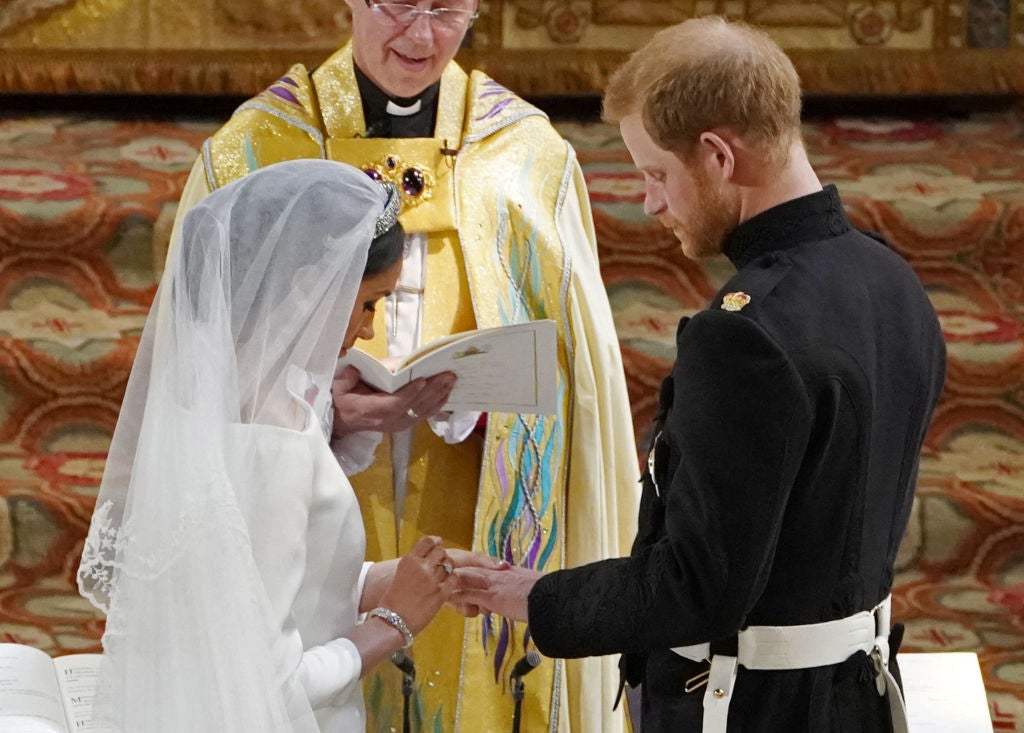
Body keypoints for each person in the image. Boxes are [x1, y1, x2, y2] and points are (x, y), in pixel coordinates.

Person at [452, 16, 948, 733]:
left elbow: (698, 586)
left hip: (755, 710)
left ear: (717, 154)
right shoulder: (894, 280)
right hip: (857, 699)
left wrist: (535, 597)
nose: (651, 202)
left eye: (657, 174)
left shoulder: (743, 337)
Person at [168, 1, 640, 730]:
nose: (421, 37)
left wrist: (488, 397)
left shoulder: (524, 154)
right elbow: (197, 364)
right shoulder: (256, 149)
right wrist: (318, 411)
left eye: (447, 9)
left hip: (469, 485)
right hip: (304, 485)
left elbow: (579, 382)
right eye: (397, 5)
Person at [77, 159, 504, 733]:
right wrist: (395, 621)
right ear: (313, 284)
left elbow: (256, 587)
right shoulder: (268, 434)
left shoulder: (238, 398)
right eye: (371, 302)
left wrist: (402, 577)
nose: (370, 330)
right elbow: (265, 687)